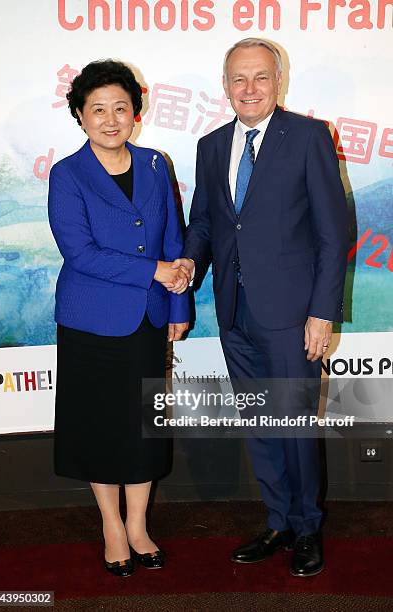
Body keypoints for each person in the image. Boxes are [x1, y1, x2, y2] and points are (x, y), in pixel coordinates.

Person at [173, 38, 349, 576]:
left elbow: (333, 230)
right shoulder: (209, 145)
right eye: (238, 79)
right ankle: (278, 520)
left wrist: (322, 311)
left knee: (295, 423)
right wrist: (185, 267)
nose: (249, 89)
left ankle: (307, 528)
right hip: (235, 309)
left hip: (294, 315)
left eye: (261, 78)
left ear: (279, 81)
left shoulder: (308, 137)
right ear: (224, 86)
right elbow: (204, 222)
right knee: (260, 421)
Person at [48, 59, 190, 578]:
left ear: (137, 111)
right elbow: (79, 253)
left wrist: (178, 304)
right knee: (101, 427)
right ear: (80, 117)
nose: (111, 120)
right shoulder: (67, 174)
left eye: (120, 108)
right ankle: (112, 526)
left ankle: (138, 525)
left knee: (142, 428)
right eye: (98, 110)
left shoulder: (156, 163)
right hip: (91, 322)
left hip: (149, 320)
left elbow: (174, 239)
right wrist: (155, 270)